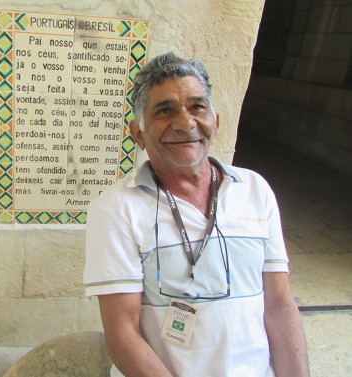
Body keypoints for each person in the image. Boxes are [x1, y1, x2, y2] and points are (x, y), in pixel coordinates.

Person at [83, 52, 309, 377]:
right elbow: (123, 335)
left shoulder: (255, 190)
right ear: (138, 134)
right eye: (165, 111)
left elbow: (279, 305)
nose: (186, 122)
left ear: (215, 121)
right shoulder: (116, 209)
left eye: (197, 107)